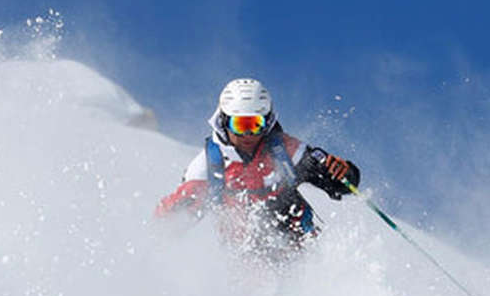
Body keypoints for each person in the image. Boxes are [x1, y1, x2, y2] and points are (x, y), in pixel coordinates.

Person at [155, 78, 361, 255]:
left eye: (255, 125)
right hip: (246, 259)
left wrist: (344, 173)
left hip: (300, 248)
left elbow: (340, 183)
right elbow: (173, 219)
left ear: (268, 122)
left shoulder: (284, 150)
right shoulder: (208, 166)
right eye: (240, 125)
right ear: (224, 122)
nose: (248, 135)